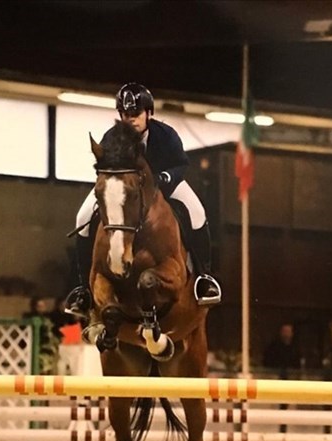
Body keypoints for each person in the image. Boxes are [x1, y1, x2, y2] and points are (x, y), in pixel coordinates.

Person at [64, 82, 221, 318]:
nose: (131, 119)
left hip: (165, 185)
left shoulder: (165, 135)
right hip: (126, 193)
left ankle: (203, 278)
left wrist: (165, 177)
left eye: (136, 114)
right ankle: (83, 289)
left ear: (149, 113)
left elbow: (181, 164)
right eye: (125, 114)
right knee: (82, 216)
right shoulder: (112, 138)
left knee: (197, 212)